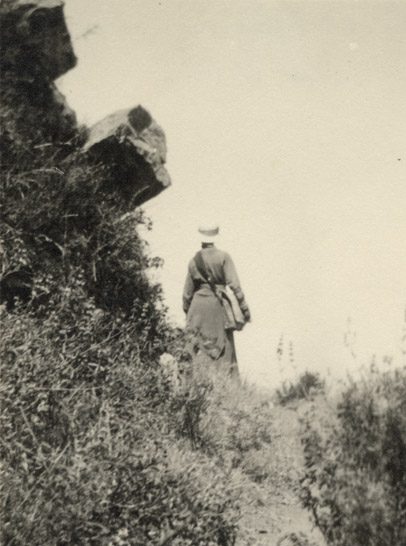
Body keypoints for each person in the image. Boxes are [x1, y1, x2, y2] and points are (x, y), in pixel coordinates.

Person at [182, 224, 250, 378]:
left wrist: (189, 314)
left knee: (197, 350)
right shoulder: (223, 257)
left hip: (197, 308)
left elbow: (186, 295)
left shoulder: (193, 261)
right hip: (217, 306)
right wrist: (244, 310)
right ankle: (227, 391)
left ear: (201, 239)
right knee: (224, 350)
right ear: (215, 238)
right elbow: (235, 286)